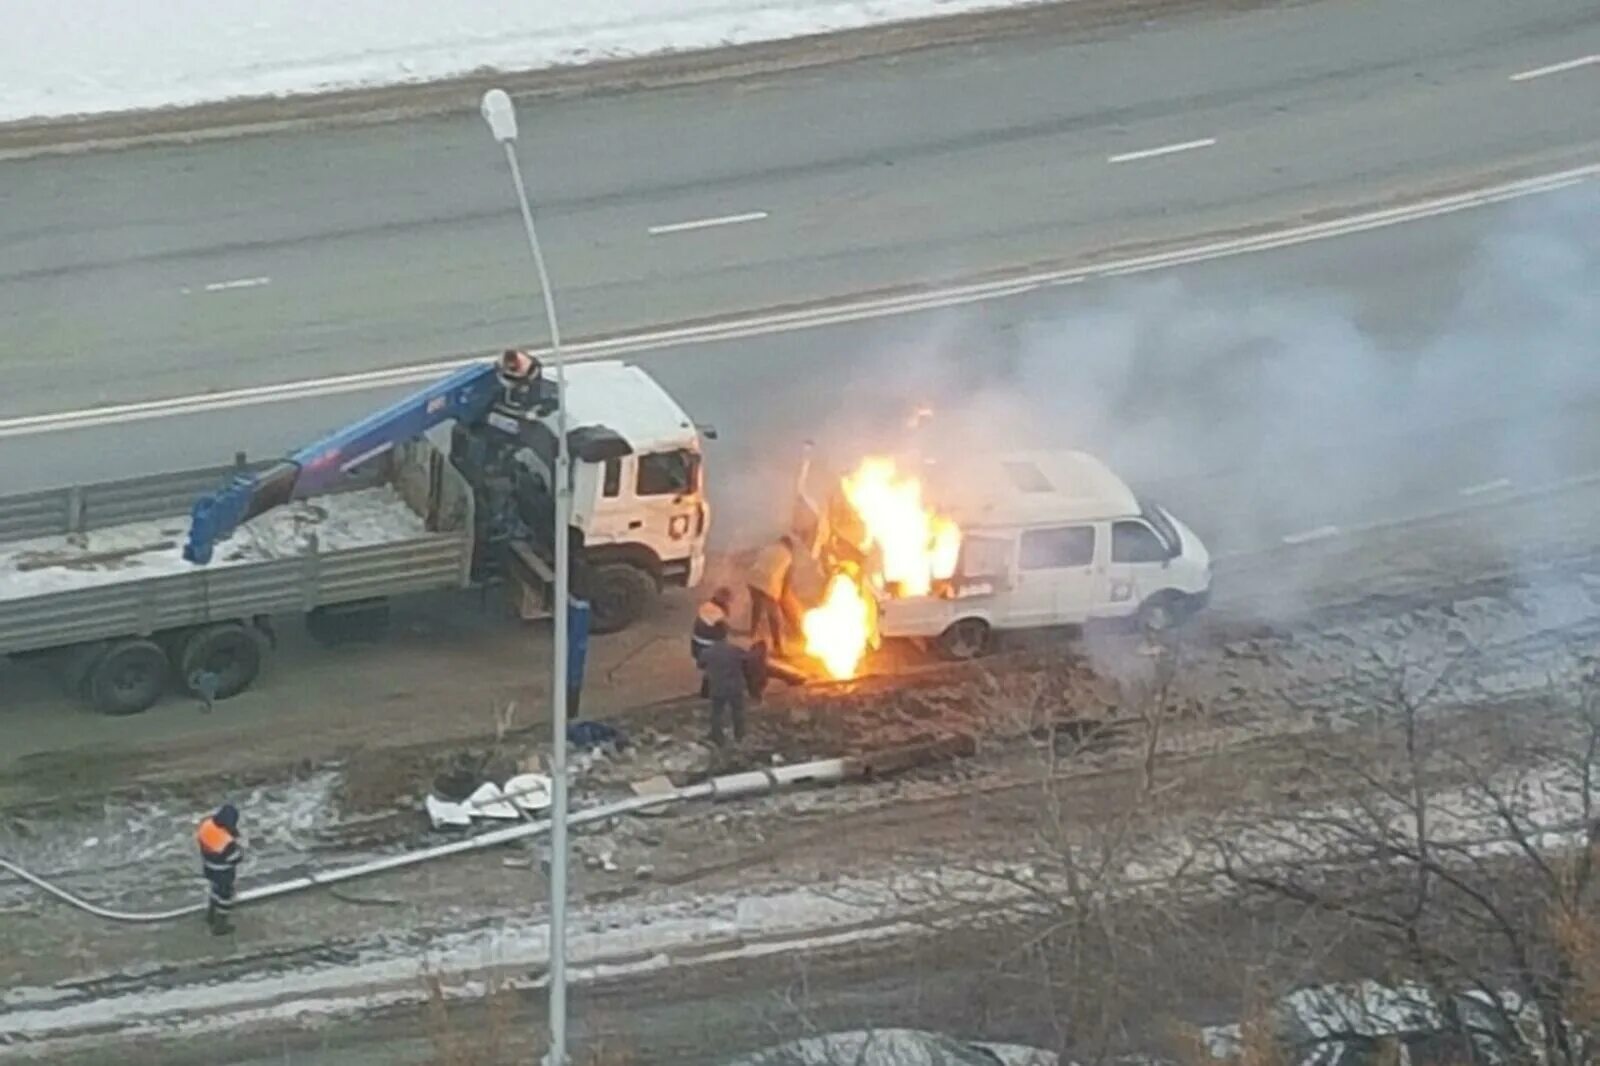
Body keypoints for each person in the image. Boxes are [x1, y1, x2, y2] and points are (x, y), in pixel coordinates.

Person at [196, 803, 243, 935]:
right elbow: (236, 857)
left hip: (208, 867)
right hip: (223, 872)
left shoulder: (206, 825)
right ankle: (220, 926)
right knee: (225, 897)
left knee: (214, 890)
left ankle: (210, 915)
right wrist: (239, 849)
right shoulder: (226, 841)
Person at [745, 535, 795, 656]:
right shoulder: (788, 556)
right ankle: (778, 648)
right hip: (768, 583)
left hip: (753, 579)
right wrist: (782, 597)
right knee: (774, 618)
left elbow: (757, 561)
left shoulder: (768, 548)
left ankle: (752, 634)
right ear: (789, 546)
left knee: (757, 607)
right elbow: (786, 580)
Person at [700, 632, 749, 746]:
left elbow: (700, 664)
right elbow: (747, 659)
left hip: (718, 687)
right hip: (735, 686)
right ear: (725, 637)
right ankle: (739, 735)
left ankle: (717, 736)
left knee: (717, 712)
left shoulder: (708, 652)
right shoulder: (735, 650)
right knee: (738, 711)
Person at [690, 587, 732, 667]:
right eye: (727, 601)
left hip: (697, 650)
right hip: (710, 650)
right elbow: (727, 628)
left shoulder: (705, 605)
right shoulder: (718, 613)